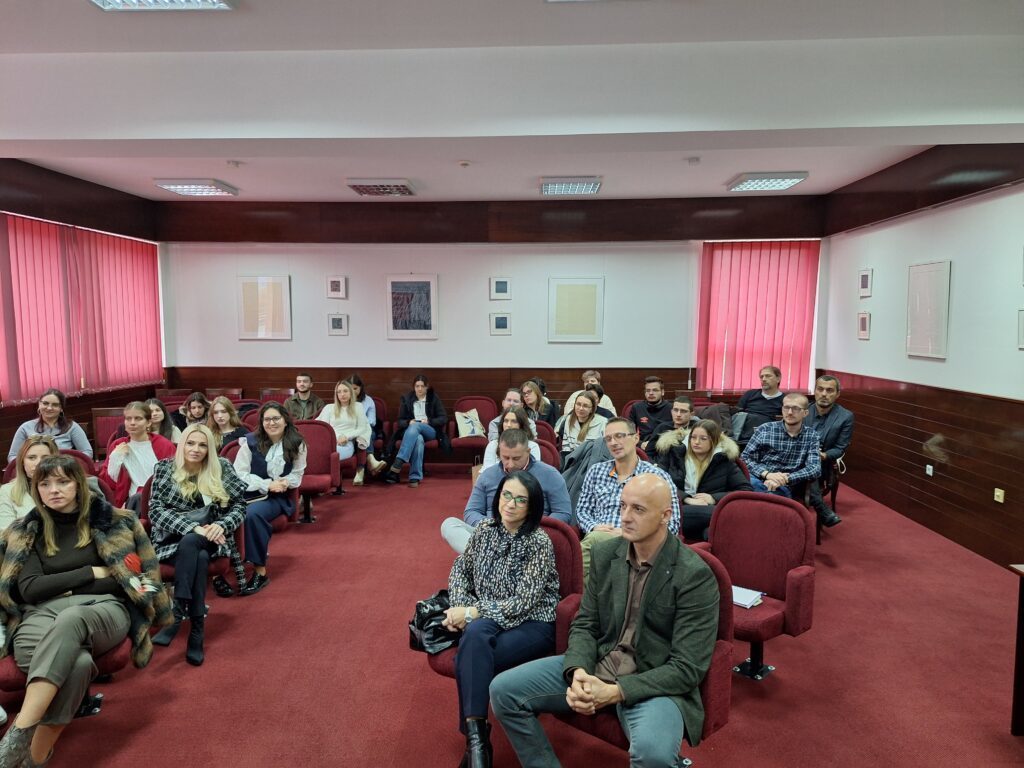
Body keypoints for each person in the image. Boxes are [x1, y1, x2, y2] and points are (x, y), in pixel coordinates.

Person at [490, 474, 720, 768]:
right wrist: (578, 671)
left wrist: (615, 692)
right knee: (503, 691)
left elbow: (687, 668)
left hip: (652, 680)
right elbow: (586, 623)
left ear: (666, 515)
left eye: (638, 509)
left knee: (654, 755)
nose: (625, 517)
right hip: (600, 661)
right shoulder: (605, 553)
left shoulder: (694, 575)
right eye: (623, 506)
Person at [0, 455, 172, 768]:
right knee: (77, 663)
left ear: (78, 485)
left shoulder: (117, 522)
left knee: (72, 618)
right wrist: (91, 573)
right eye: (45, 484)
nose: (54, 490)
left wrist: (60, 585)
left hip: (103, 611)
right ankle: (35, 757)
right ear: (36, 489)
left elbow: (137, 581)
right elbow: (31, 590)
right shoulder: (26, 530)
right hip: (39, 616)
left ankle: (19, 730)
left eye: (63, 481)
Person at [443, 470, 560, 768]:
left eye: (521, 500)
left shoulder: (539, 542)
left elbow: (523, 602)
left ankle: (476, 747)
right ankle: (478, 741)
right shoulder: (484, 529)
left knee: (470, 656)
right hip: (490, 618)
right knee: (475, 639)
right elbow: (460, 571)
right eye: (507, 495)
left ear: (531, 506)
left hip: (532, 622)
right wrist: (460, 607)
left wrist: (471, 613)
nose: (510, 504)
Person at [147, 425, 248, 665]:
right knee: (198, 556)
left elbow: (240, 506)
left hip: (213, 538)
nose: (196, 449)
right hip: (172, 540)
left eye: (203, 445)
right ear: (182, 444)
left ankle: (177, 611)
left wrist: (221, 525)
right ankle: (196, 632)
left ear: (210, 448)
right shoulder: (164, 468)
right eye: (191, 443)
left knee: (195, 544)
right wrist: (193, 528)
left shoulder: (221, 467)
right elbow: (155, 512)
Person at [441, 429, 572, 554]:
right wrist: (492, 527)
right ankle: (489, 556)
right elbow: (471, 511)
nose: (510, 464)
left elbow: (563, 513)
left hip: (530, 536)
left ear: (528, 451)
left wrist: (532, 528)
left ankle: (486, 558)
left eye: (516, 458)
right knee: (449, 524)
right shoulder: (488, 475)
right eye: (505, 457)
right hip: (491, 533)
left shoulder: (550, 474)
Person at [576, 418, 679, 576]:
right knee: (594, 544)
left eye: (619, 436)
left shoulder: (657, 476)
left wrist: (630, 533)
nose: (613, 443)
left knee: (590, 547)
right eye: (608, 439)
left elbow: (672, 524)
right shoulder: (596, 471)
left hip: (638, 541)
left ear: (636, 438)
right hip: (600, 535)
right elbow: (582, 510)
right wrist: (593, 526)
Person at [233, 402, 307, 595]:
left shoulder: (297, 443)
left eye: (276, 418)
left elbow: (297, 474)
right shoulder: (249, 442)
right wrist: (266, 484)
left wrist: (284, 482)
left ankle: (260, 571)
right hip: (248, 494)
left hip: (276, 498)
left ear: (285, 421)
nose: (271, 423)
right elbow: (239, 474)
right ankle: (223, 570)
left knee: (252, 516)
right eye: (267, 419)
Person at [741, 393, 839, 526]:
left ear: (805, 413)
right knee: (751, 487)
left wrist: (786, 479)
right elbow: (745, 458)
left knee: (769, 502)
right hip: (758, 478)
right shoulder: (765, 429)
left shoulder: (811, 436)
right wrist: (767, 474)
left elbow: (814, 468)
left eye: (796, 408)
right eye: (786, 407)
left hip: (785, 484)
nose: (790, 412)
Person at [675, 420, 752, 541]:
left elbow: (745, 491)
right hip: (678, 507)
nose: (696, 442)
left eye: (703, 439)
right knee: (722, 518)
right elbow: (661, 484)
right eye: (693, 437)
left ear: (714, 440)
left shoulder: (724, 461)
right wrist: (686, 498)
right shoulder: (675, 456)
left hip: (708, 509)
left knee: (711, 532)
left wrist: (713, 498)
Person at [98, 402, 176, 508]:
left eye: (138, 418)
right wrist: (115, 458)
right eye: (128, 419)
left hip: (159, 500)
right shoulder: (118, 445)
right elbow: (109, 484)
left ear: (148, 422)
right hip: (128, 502)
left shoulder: (164, 445)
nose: (132, 423)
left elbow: (172, 479)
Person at [384, 374, 449, 488]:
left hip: (429, 430)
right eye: (417, 386)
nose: (419, 389)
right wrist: (409, 422)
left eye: (422, 386)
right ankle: (415, 477)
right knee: (418, 439)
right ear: (413, 387)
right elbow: (400, 421)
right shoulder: (407, 399)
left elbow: (443, 418)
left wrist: (429, 421)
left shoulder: (433, 398)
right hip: (412, 432)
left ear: (427, 387)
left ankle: (399, 461)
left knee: (417, 426)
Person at [804, 375, 855, 520]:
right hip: (796, 456)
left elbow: (840, 447)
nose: (824, 394)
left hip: (823, 462)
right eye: (820, 389)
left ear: (837, 394)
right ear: (815, 391)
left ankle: (818, 505)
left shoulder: (845, 417)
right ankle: (821, 507)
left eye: (829, 390)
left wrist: (824, 455)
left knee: (812, 462)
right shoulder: (803, 410)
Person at [316, 380, 385, 486]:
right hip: (330, 441)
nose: (342, 394)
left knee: (327, 456)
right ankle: (317, 485)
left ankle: (324, 483)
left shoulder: (358, 407)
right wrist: (335, 438)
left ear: (351, 392)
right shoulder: (329, 408)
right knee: (317, 453)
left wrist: (347, 437)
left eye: (345, 391)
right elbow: (323, 428)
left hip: (346, 444)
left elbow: (362, 428)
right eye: (339, 392)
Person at [7, 389, 93, 462]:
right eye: (45, 403)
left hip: (63, 471)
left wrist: (70, 465)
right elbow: (12, 456)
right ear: (39, 404)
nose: (49, 408)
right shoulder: (25, 428)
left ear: (61, 408)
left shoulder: (72, 427)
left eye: (55, 405)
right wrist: (27, 465)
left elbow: (87, 452)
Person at [0, 436, 58, 531]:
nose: (38, 463)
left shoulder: (66, 488)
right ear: (22, 462)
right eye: (32, 458)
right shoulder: (7, 491)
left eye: (46, 458)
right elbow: (4, 533)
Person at [734, 366, 785, 446]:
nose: (763, 379)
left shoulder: (785, 399)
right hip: (743, 431)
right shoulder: (750, 394)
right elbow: (737, 413)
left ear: (778, 379)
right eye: (761, 377)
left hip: (766, 434)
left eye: (768, 376)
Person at [346, 373, 384, 473]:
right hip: (348, 430)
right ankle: (370, 460)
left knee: (364, 435)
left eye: (355, 388)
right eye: (350, 388)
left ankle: (361, 468)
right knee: (361, 436)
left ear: (361, 388)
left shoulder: (368, 400)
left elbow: (372, 421)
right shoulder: (343, 399)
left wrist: (360, 424)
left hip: (367, 429)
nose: (352, 391)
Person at [553, 391, 606, 461]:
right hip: (572, 461)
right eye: (578, 404)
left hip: (592, 461)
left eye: (585, 406)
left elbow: (604, 450)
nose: (581, 408)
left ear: (592, 409)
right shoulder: (568, 419)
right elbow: (566, 447)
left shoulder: (603, 423)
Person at [629, 376, 673, 452]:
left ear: (662, 392)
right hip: (643, 447)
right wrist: (640, 444)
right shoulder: (637, 407)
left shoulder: (671, 408)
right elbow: (629, 432)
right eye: (648, 390)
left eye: (655, 390)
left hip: (664, 447)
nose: (651, 393)